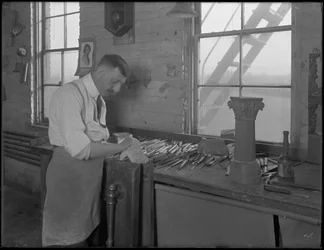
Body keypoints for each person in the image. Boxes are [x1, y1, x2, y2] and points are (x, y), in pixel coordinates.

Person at [42, 54, 133, 247]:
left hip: (88, 179)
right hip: (69, 177)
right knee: (65, 238)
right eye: (115, 81)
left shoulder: (99, 100)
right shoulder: (70, 95)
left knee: (84, 234)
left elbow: (95, 136)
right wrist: (120, 147)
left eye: (120, 84)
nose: (116, 89)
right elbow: (81, 149)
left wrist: (115, 140)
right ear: (100, 72)